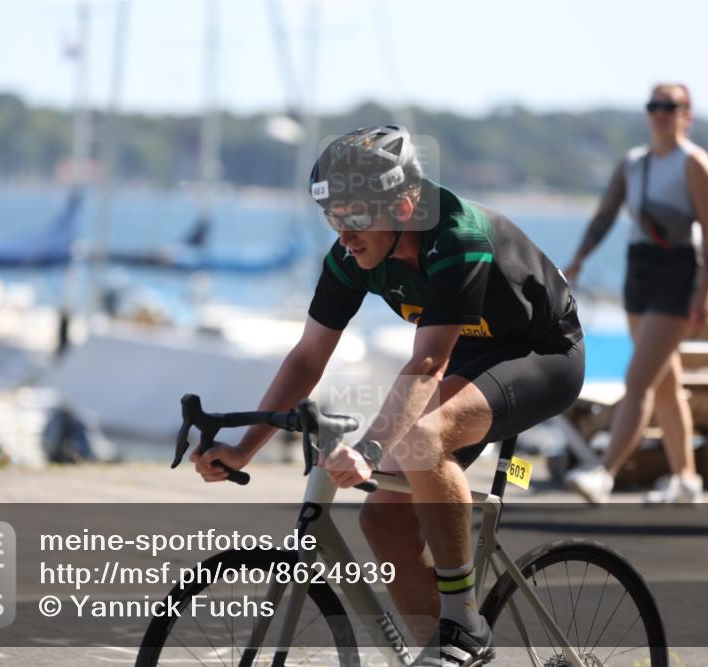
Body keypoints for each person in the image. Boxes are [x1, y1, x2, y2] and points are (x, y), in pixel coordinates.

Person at [191, 125, 585, 665]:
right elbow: (308, 356)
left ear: (403, 206)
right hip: (469, 356)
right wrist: (243, 448)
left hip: (541, 354)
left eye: (355, 216)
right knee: (381, 519)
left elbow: (427, 362)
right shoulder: (352, 255)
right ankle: (438, 653)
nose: (344, 234)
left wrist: (370, 449)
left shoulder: (457, 237)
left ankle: (464, 625)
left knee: (424, 441)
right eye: (333, 217)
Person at [563, 83, 708, 504]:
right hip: (640, 270)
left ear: (687, 113)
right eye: (654, 105)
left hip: (677, 274)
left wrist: (705, 290)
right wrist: (577, 259)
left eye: (670, 106)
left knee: (637, 379)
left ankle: (605, 473)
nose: (661, 113)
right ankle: (686, 479)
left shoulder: (697, 165)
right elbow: (605, 216)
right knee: (665, 382)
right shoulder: (633, 163)